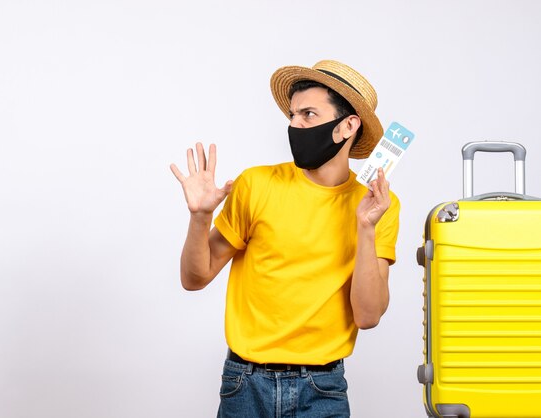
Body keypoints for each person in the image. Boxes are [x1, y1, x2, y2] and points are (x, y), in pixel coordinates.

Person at [169, 60, 400, 418]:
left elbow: (368, 316)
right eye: (293, 115)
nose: (295, 125)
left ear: (348, 125)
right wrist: (200, 217)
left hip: (323, 390)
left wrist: (366, 228)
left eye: (309, 114)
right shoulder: (256, 185)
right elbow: (194, 279)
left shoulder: (377, 204)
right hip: (245, 384)